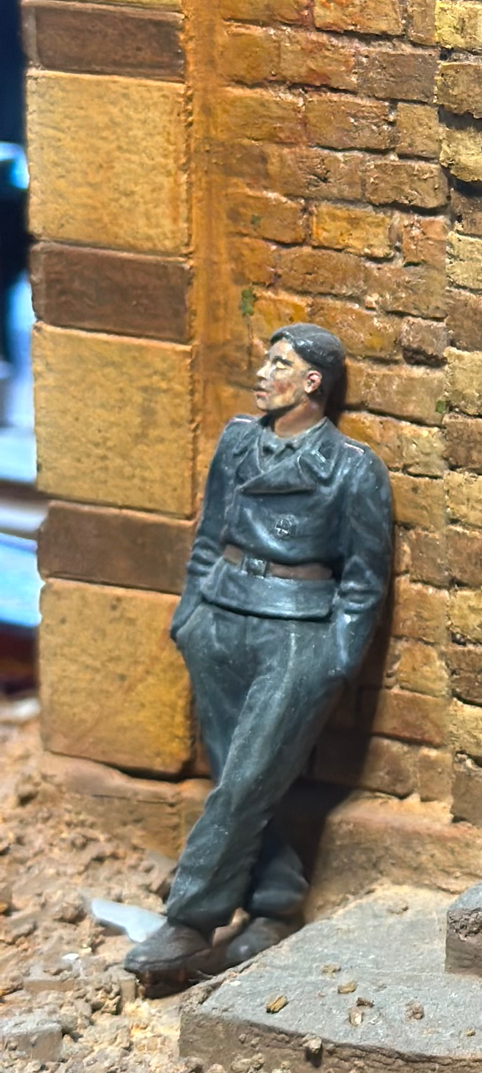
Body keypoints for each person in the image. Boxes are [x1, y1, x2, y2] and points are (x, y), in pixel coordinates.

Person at [124, 324, 393, 982]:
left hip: (297, 631)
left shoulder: (352, 468)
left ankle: (190, 922)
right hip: (220, 617)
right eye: (266, 361)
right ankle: (276, 902)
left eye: (280, 364)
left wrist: (336, 658)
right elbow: (209, 532)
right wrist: (191, 616)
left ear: (312, 383)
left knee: (246, 779)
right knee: (240, 780)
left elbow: (364, 579)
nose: (263, 373)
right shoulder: (238, 441)